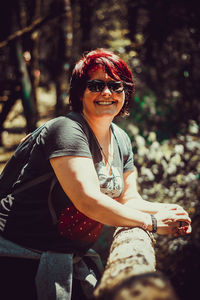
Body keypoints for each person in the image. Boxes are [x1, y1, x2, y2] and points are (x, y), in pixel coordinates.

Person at [0, 48, 191, 300]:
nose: (107, 93)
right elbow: (87, 199)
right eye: (96, 85)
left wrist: (165, 210)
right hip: (16, 257)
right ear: (80, 92)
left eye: (116, 86)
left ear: (126, 93)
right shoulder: (67, 130)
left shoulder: (121, 139)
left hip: (65, 257)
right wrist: (152, 223)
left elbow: (128, 199)